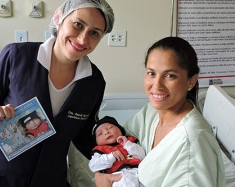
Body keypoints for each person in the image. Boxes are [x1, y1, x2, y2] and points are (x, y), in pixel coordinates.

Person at [0, 0, 114, 186]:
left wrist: (115, 154)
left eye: (94, 33)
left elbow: (84, 133)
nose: (83, 38)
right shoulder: (17, 56)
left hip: (49, 179)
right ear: (59, 18)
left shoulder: (94, 82)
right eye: (78, 24)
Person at [95, 37, 226, 187]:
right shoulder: (152, 112)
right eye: (151, 73)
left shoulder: (191, 144)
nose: (157, 85)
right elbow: (122, 137)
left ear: (191, 81)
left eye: (170, 75)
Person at [89, 116, 145, 187]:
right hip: (117, 177)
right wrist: (110, 157)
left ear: (120, 130)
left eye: (110, 127)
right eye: (100, 134)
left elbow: (142, 156)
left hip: (137, 172)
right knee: (125, 181)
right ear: (96, 142)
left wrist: (128, 145)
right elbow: (93, 166)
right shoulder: (99, 151)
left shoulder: (129, 141)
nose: (106, 132)